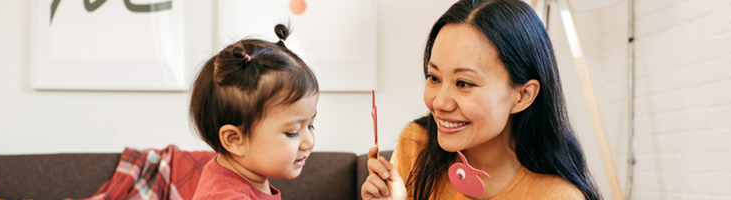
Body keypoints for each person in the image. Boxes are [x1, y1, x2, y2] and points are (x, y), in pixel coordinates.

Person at [361, 0, 601, 199]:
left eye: (464, 83)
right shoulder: (417, 144)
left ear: (523, 95)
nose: (439, 103)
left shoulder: (557, 196)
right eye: (434, 77)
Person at [190, 24, 319, 200]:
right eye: (292, 132)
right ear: (234, 139)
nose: (309, 142)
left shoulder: (245, 175)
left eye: (311, 125)